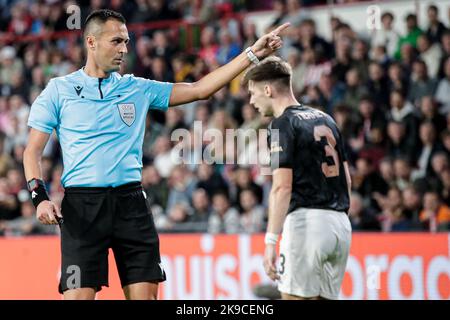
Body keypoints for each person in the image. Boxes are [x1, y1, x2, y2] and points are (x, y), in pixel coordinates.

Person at [23, 9, 289, 300]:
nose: (124, 49)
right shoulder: (58, 90)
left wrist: (252, 54)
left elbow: (200, 89)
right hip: (82, 209)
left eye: (126, 41)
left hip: (132, 205)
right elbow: (32, 151)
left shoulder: (137, 88)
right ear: (91, 42)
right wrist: (40, 198)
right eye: (116, 41)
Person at [243, 56, 352, 300]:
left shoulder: (281, 125)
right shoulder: (327, 119)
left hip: (307, 224)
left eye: (253, 93)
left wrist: (271, 241)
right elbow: (347, 179)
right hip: (340, 226)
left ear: (268, 90)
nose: (252, 101)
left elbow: (282, 187)